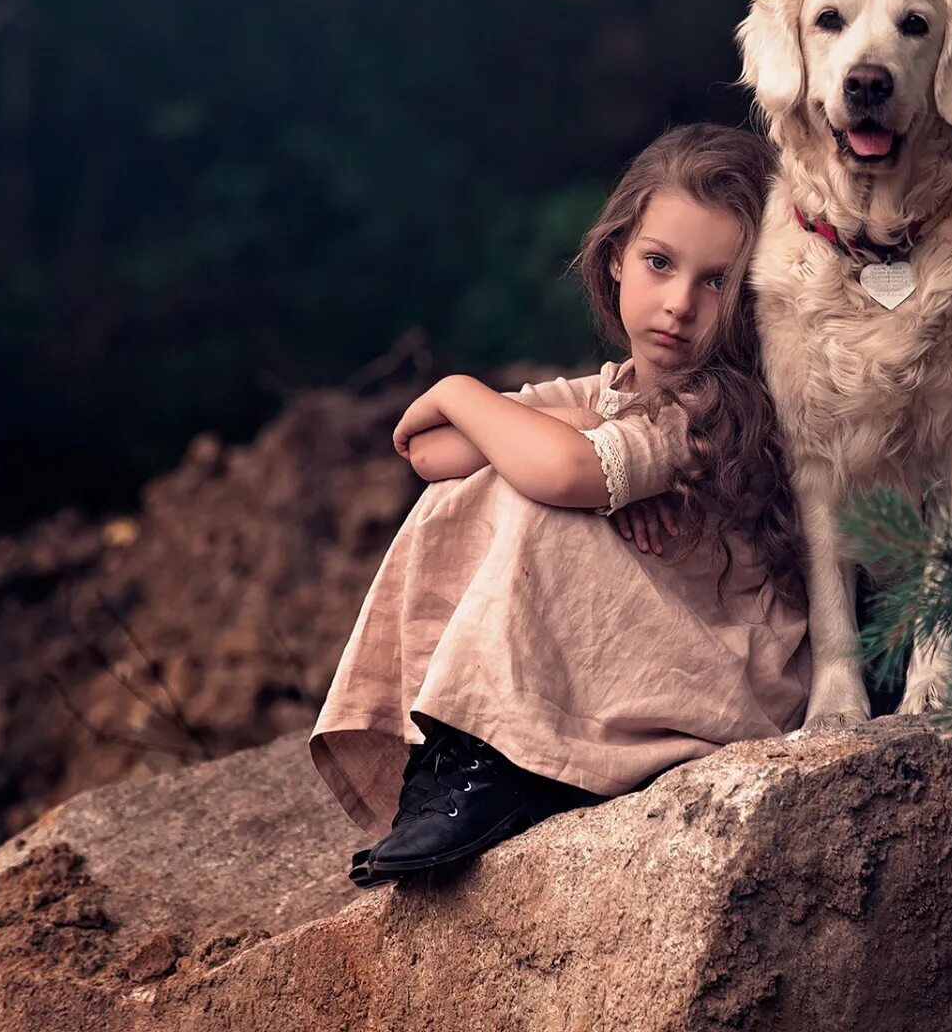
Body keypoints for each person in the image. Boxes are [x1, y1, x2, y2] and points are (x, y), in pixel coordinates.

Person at [310, 123, 808, 887]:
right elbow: (429, 452)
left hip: (716, 668)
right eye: (659, 263)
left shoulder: (717, 410)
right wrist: (570, 429)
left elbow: (562, 472)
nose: (678, 304)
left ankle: (499, 759)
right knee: (492, 477)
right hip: (636, 655)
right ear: (615, 260)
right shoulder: (603, 394)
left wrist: (462, 391)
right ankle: (468, 746)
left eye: (717, 282)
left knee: (533, 489)